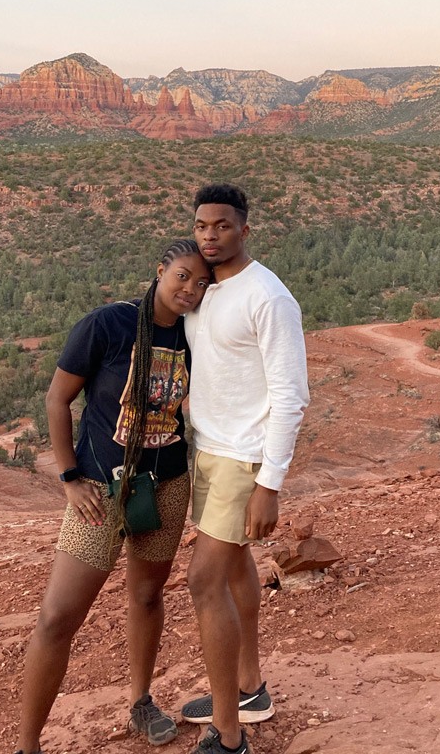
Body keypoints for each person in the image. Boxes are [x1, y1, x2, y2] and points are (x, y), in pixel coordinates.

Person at [13, 239, 212, 754]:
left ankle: (141, 700)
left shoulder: (197, 335)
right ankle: (28, 743)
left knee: (147, 595)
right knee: (58, 617)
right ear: (161, 269)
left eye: (201, 282)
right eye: (183, 276)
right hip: (100, 488)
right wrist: (69, 476)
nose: (190, 289)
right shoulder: (107, 324)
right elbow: (58, 400)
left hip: (166, 484)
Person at [182, 184, 310, 754]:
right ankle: (248, 689)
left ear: (244, 230)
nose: (210, 235)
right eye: (202, 225)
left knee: (203, 581)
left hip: (243, 458)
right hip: (207, 448)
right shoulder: (203, 290)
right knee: (234, 573)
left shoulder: (268, 297)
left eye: (222, 225)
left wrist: (269, 484)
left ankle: (229, 734)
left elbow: (291, 396)